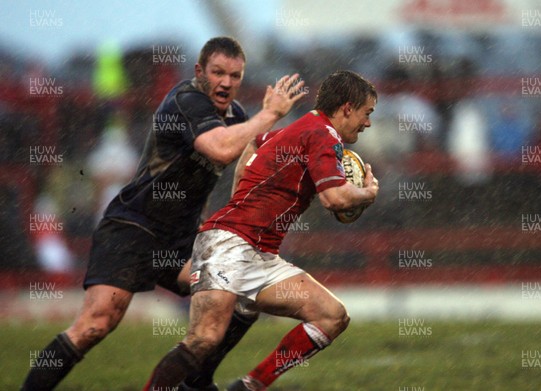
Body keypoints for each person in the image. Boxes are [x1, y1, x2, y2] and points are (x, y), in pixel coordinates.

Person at [21, 36, 306, 391]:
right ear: (199, 71)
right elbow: (218, 150)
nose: (226, 82)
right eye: (218, 72)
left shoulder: (235, 116)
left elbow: (233, 168)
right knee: (95, 325)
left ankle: (196, 383)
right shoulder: (186, 101)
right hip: (134, 227)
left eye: (235, 75)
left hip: (181, 238)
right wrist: (269, 116)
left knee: (236, 296)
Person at [143, 70, 379, 391]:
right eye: (367, 113)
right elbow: (335, 199)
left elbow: (255, 143)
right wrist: (367, 193)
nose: (367, 123)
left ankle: (248, 386)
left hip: (259, 252)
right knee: (203, 338)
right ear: (348, 108)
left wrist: (240, 200)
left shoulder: (297, 129)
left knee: (331, 316)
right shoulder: (324, 135)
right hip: (230, 245)